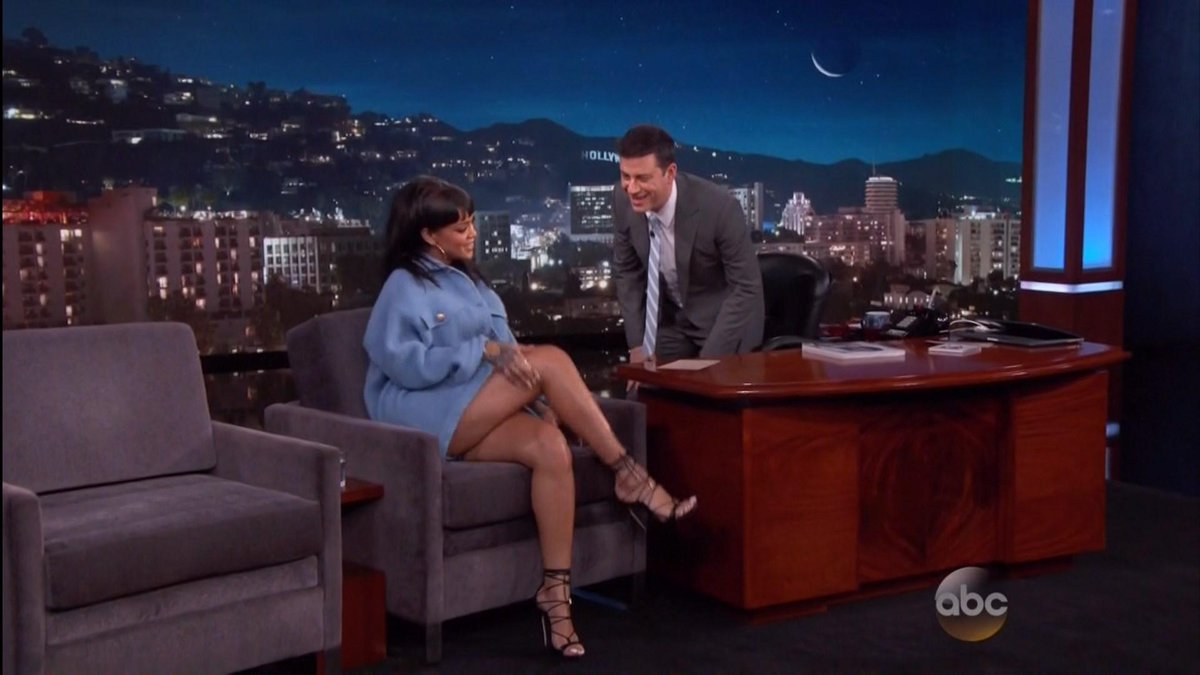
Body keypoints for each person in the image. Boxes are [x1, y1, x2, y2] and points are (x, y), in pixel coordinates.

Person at [362, 176, 697, 659]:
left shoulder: (476, 286)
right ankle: (632, 477)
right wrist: (481, 351)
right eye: (460, 228)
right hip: (420, 413)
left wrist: (537, 398)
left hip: (472, 407)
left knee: (550, 445)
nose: (473, 234)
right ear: (429, 235)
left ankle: (556, 599)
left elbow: (512, 358)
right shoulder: (404, 286)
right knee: (552, 360)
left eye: (473, 222)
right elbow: (405, 366)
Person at [613, 125, 764, 370]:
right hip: (675, 324)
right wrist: (637, 346)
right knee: (643, 383)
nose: (632, 188)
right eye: (625, 176)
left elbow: (746, 288)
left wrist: (707, 363)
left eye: (642, 178)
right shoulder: (622, 201)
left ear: (670, 173)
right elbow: (627, 273)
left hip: (725, 324)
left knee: (706, 384)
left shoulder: (719, 208)